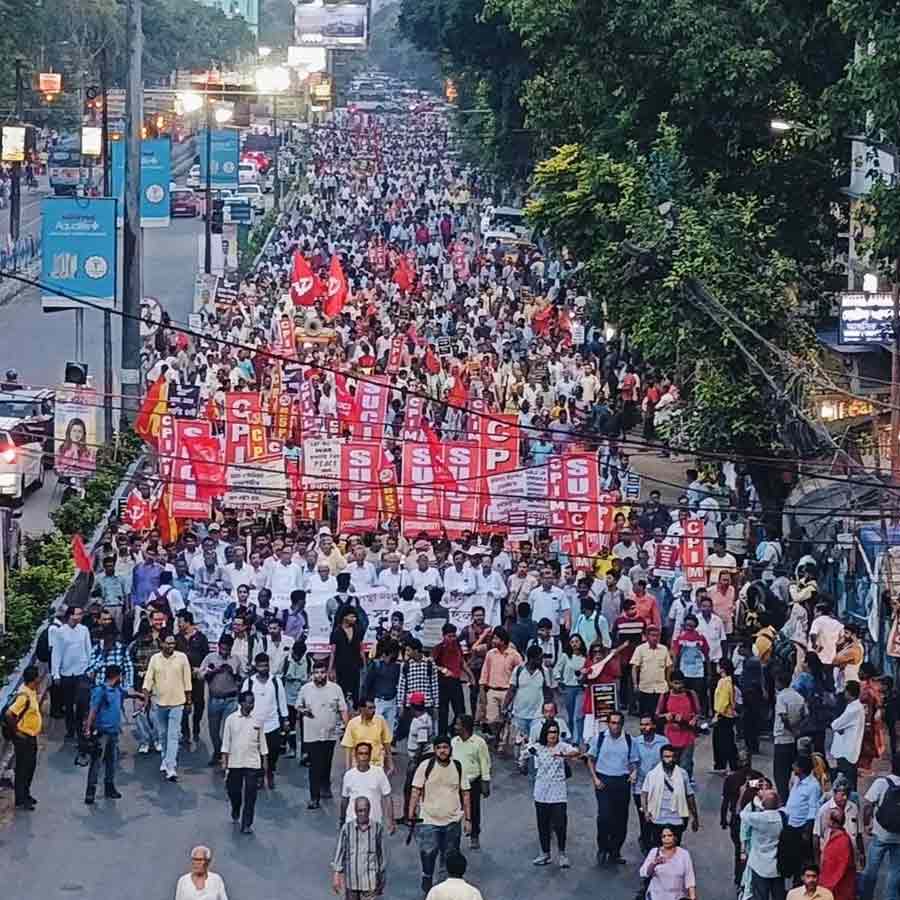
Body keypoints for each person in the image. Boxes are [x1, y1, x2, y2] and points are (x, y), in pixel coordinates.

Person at [408, 734, 472, 895]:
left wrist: (468, 819)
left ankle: (443, 893)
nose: (443, 751)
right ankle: (427, 882)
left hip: (452, 821)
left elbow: (465, 794)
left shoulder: (458, 766)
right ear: (435, 750)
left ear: (450, 749)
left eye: (445, 747)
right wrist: (411, 814)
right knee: (428, 854)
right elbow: (415, 791)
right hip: (429, 820)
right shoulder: (426, 765)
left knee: (448, 858)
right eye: (439, 748)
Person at [521, 718, 580, 868]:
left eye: (555, 732)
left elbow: (576, 752)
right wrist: (524, 755)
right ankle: (545, 854)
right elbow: (524, 753)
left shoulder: (562, 746)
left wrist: (564, 756)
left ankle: (562, 854)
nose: (552, 735)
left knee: (560, 824)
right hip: (541, 793)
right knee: (543, 824)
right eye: (550, 732)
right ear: (544, 733)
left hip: (558, 793)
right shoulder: (538, 747)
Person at [297, 658, 349, 810]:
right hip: (311, 734)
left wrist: (347, 727)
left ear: (326, 673)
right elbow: (298, 705)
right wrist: (304, 710)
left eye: (322, 672)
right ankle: (314, 797)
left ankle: (325, 786)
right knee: (314, 765)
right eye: (316, 673)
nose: (319, 675)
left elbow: (343, 709)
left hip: (330, 733)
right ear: (312, 674)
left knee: (326, 762)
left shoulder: (335, 689)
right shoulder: (306, 689)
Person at [587, 709, 636, 865]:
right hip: (604, 781)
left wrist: (633, 772)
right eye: (613, 723)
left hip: (622, 781)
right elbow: (590, 759)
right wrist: (595, 778)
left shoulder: (629, 740)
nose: (615, 726)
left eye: (618, 723)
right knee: (604, 817)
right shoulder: (599, 738)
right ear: (608, 724)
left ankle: (615, 851)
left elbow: (634, 761)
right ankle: (602, 848)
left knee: (621, 819)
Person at [142, 632, 192, 782]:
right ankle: (165, 759)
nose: (171, 646)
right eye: (168, 643)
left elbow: (187, 681)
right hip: (160, 703)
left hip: (177, 703)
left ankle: (171, 767)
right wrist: (145, 700)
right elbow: (148, 680)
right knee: (163, 734)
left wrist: (189, 702)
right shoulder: (155, 659)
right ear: (161, 643)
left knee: (173, 735)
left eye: (173, 643)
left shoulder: (182, 658)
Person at [83, 664, 134, 804]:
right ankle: (90, 793)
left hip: (113, 733)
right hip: (101, 734)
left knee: (112, 762)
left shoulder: (117, 690)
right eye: (121, 676)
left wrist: (142, 696)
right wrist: (88, 728)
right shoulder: (101, 690)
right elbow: (93, 710)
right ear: (117, 676)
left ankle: (109, 788)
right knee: (96, 763)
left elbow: (128, 694)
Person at [241, 651, 288, 789]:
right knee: (257, 753)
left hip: (272, 723)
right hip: (254, 723)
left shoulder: (275, 681)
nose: (263, 669)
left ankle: (270, 771)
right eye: (260, 666)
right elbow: (242, 702)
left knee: (273, 751)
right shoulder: (249, 682)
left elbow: (282, 701)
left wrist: (285, 719)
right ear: (256, 666)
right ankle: (260, 775)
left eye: (266, 666)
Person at [221, 690, 267, 833]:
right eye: (248, 702)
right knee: (234, 791)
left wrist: (264, 767)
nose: (251, 705)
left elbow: (263, 745)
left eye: (252, 702)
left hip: (253, 763)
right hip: (235, 763)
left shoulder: (257, 721)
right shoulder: (231, 719)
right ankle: (236, 808)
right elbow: (226, 743)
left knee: (251, 794)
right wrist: (224, 763)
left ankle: (247, 824)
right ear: (241, 703)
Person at [641, 743, 701, 847]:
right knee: (658, 849)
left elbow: (689, 796)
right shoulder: (652, 775)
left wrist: (695, 817)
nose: (670, 759)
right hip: (657, 818)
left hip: (677, 819)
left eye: (673, 757)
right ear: (661, 758)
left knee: (674, 849)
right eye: (667, 757)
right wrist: (646, 812)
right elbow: (644, 794)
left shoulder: (683, 774)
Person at [859, 751, 900, 900]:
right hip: (899, 836)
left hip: (880, 834)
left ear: (891, 766)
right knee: (895, 872)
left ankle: (866, 897)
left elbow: (868, 806)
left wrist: (866, 824)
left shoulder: (882, 783)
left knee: (871, 870)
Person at [199, 634, 243, 766]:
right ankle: (217, 752)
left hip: (231, 699)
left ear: (231, 648)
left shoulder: (236, 659)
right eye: (222, 648)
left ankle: (227, 756)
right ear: (218, 646)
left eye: (227, 649)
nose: (224, 651)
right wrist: (212, 672)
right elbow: (200, 675)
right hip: (215, 700)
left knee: (228, 730)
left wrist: (234, 674)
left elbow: (243, 677)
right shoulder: (210, 658)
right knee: (213, 730)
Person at [332, 797, 387, 900]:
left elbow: (381, 854)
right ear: (355, 811)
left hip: (370, 883)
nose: (362, 813)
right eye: (359, 810)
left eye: (365, 810)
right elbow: (340, 852)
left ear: (369, 810)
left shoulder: (377, 828)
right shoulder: (347, 828)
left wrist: (382, 876)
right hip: (352, 882)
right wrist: (336, 875)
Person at [51, 604, 92, 740]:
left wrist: (90, 668)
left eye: (81, 614)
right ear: (70, 615)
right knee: (68, 705)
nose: (80, 616)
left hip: (82, 671)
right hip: (67, 673)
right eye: (77, 614)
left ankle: (80, 728)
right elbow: (56, 653)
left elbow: (88, 649)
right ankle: (70, 729)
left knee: (82, 703)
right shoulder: (60, 632)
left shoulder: (84, 630)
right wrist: (55, 673)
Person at [478, 627, 523, 749]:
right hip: (492, 690)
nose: (493, 640)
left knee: (506, 720)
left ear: (503, 640)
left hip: (507, 692)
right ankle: (496, 736)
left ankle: (502, 743)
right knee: (492, 720)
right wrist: (482, 690)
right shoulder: (490, 654)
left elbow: (521, 672)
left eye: (496, 638)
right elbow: (484, 673)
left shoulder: (514, 655)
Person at [5, 665, 42, 810]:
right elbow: (9, 714)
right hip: (23, 737)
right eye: (37, 677)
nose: (39, 679)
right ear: (33, 680)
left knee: (30, 766)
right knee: (23, 768)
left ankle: (26, 794)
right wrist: (17, 732)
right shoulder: (24, 696)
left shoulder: (31, 691)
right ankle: (21, 798)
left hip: (31, 736)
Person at [452, 715, 491, 850]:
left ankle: (475, 836)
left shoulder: (479, 743)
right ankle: (454, 837)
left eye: (458, 724)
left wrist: (485, 783)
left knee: (474, 810)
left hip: (473, 782)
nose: (455, 727)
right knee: (455, 810)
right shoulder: (454, 742)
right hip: (456, 783)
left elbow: (485, 763)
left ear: (465, 727)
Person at [782, 756, 824, 884]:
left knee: (802, 859)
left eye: (795, 765)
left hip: (801, 828)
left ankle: (798, 884)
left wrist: (807, 831)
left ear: (801, 769)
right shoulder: (796, 779)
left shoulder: (813, 786)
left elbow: (813, 810)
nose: (792, 767)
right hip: (790, 824)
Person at [740, 788, 786, 900]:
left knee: (760, 896)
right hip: (777, 865)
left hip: (759, 865)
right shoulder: (783, 816)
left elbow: (743, 814)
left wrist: (756, 800)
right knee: (778, 896)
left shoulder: (757, 818)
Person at [633, 715, 670, 852]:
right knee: (644, 816)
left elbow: (668, 761)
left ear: (654, 726)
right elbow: (632, 761)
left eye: (647, 724)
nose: (644, 727)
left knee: (657, 815)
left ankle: (655, 841)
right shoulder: (635, 742)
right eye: (642, 724)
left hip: (658, 785)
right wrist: (633, 771)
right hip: (640, 786)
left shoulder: (663, 741)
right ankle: (646, 842)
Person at [656, 672, 702, 781]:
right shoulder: (665, 695)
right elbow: (657, 714)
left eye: (681, 683)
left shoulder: (691, 694)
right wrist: (665, 715)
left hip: (687, 735)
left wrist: (694, 720)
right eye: (676, 683)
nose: (679, 686)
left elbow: (698, 712)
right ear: (670, 683)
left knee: (685, 765)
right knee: (670, 764)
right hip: (670, 736)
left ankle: (686, 785)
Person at [175, 610, 210, 748]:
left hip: (197, 678)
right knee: (183, 707)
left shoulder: (201, 638)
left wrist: (200, 669)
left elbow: (207, 658)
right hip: (180, 679)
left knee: (199, 704)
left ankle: (196, 727)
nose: (178, 624)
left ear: (188, 622)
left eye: (180, 621)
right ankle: (185, 733)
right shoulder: (177, 638)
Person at [433, 622, 474, 735]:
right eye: (449, 636)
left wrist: (471, 676)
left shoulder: (457, 647)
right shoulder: (439, 648)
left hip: (455, 682)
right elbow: (432, 664)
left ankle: (455, 732)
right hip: (442, 683)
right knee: (443, 712)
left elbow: (462, 662)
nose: (452, 638)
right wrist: (444, 670)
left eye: (454, 636)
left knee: (460, 711)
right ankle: (442, 736)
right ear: (444, 636)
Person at [639, 825, 698, 900]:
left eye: (669, 835)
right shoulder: (654, 852)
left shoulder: (684, 854)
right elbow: (644, 873)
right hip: (656, 896)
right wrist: (654, 864)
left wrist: (692, 896)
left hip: (677, 897)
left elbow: (689, 877)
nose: (666, 839)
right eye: (663, 836)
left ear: (675, 838)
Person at [774, 671, 808, 802]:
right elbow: (806, 714)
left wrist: (792, 729)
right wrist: (798, 728)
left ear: (780, 682)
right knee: (793, 771)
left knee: (781, 775)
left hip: (782, 738)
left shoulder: (781, 697)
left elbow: (783, 716)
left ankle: (784, 801)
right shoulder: (799, 697)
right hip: (794, 741)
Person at [342, 695, 393, 773]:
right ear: (361, 709)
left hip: (377, 765)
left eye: (374, 708)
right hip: (358, 766)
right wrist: (348, 770)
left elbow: (386, 743)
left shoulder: (380, 721)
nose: (373, 711)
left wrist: (390, 764)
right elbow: (349, 748)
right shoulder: (352, 723)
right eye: (370, 708)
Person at [829, 680, 865, 793]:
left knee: (847, 785)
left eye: (845, 691)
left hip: (847, 752)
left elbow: (835, 725)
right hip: (848, 750)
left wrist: (839, 727)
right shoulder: (854, 707)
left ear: (850, 693)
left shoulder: (853, 709)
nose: (844, 693)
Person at [631, 625, 672, 717]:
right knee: (645, 717)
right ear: (647, 636)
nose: (655, 638)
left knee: (660, 715)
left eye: (657, 636)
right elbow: (635, 668)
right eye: (652, 635)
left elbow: (668, 667)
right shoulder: (640, 649)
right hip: (645, 688)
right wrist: (635, 684)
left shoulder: (664, 649)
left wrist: (668, 682)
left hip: (661, 688)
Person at [712, 658, 739, 774]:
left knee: (723, 742)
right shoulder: (728, 681)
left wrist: (717, 714)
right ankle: (724, 765)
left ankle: (726, 766)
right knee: (725, 741)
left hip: (723, 715)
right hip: (728, 715)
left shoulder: (723, 682)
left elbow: (723, 701)